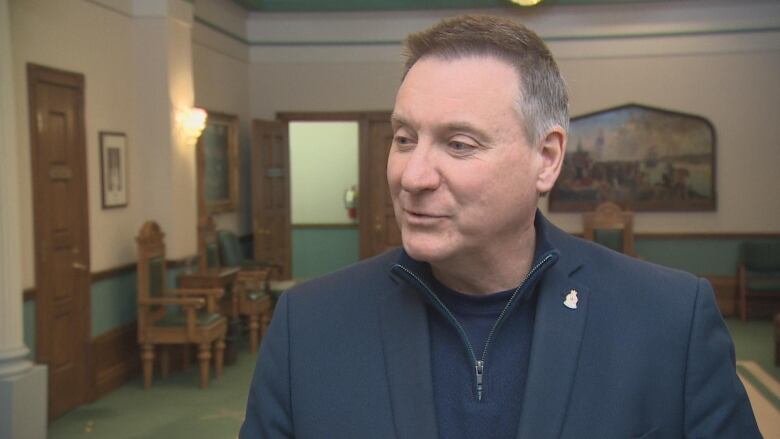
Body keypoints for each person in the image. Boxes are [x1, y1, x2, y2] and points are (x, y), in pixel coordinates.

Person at [240, 15, 760, 439]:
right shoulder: (305, 326)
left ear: (547, 159)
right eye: (403, 138)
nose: (412, 176)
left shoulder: (670, 321)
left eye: (459, 144)